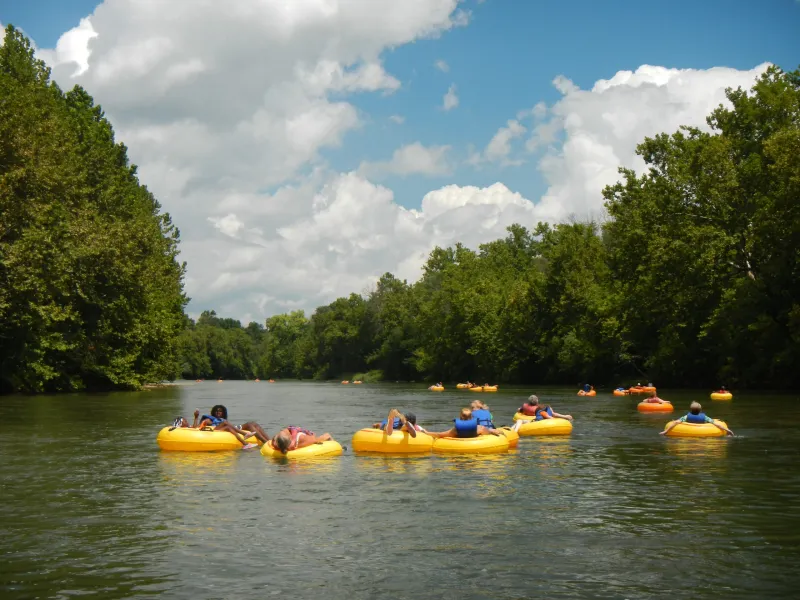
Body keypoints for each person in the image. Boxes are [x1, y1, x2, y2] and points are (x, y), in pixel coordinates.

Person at [660, 402, 734, 436]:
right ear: (700, 410)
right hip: (703, 436)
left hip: (687, 434)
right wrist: (728, 430)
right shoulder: (705, 418)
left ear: (691, 410)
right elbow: (717, 424)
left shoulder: (686, 417)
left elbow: (675, 422)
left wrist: (666, 431)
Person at [426, 408, 502, 438]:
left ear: (460, 417)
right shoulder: (479, 428)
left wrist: (426, 432)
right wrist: (497, 431)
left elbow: (439, 434)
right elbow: (490, 432)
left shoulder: (455, 430)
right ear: (472, 417)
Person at [270, 426, 334, 454]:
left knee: (315, 440)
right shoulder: (276, 441)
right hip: (290, 437)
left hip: (298, 435)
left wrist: (294, 440)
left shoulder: (298, 440)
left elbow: (293, 428)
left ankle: (327, 437)